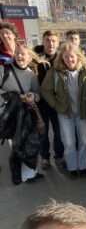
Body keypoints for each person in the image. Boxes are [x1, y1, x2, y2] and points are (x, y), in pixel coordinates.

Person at [41, 42, 86, 179]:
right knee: (69, 143)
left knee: (83, 141)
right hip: (65, 114)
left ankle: (82, 167)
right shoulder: (55, 72)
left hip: (83, 114)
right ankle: (72, 168)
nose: (69, 60)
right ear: (62, 58)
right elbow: (45, 90)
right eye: (66, 57)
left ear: (77, 56)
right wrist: (55, 105)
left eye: (72, 57)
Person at [0, 45, 43, 184]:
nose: (19, 56)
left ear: (29, 58)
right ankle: (20, 175)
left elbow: (38, 94)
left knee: (28, 143)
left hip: (25, 114)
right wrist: (10, 98)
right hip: (9, 115)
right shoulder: (4, 70)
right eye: (17, 53)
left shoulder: (31, 75)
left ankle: (30, 174)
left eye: (23, 54)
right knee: (17, 145)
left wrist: (32, 96)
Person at [35, 30, 66, 170]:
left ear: (58, 42)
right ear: (43, 41)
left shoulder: (62, 57)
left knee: (59, 132)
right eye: (47, 40)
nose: (50, 43)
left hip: (57, 102)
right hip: (41, 103)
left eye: (53, 40)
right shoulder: (35, 58)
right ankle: (45, 158)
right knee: (43, 132)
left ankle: (59, 156)